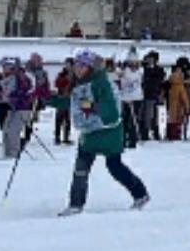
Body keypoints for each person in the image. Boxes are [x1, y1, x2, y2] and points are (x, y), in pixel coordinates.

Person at [53, 48, 149, 215]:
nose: (78, 69)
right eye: (77, 65)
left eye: (82, 66)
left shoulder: (102, 83)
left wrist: (88, 106)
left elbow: (109, 110)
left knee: (115, 167)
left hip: (108, 134)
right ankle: (76, 204)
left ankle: (140, 194)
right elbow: (73, 103)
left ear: (90, 67)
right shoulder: (78, 84)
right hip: (90, 133)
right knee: (81, 169)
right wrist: (48, 99)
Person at [118, 56, 145, 148]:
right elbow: (119, 76)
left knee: (134, 121)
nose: (134, 65)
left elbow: (138, 83)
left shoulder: (140, 71)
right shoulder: (124, 71)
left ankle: (133, 140)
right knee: (124, 120)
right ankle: (123, 140)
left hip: (136, 98)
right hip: (125, 98)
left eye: (135, 63)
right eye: (131, 63)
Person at [53, 60, 74, 145]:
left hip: (70, 98)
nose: (68, 66)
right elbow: (57, 83)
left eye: (69, 65)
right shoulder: (61, 74)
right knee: (59, 118)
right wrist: (65, 80)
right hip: (61, 97)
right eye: (67, 64)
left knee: (67, 119)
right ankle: (57, 137)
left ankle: (66, 137)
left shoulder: (75, 74)